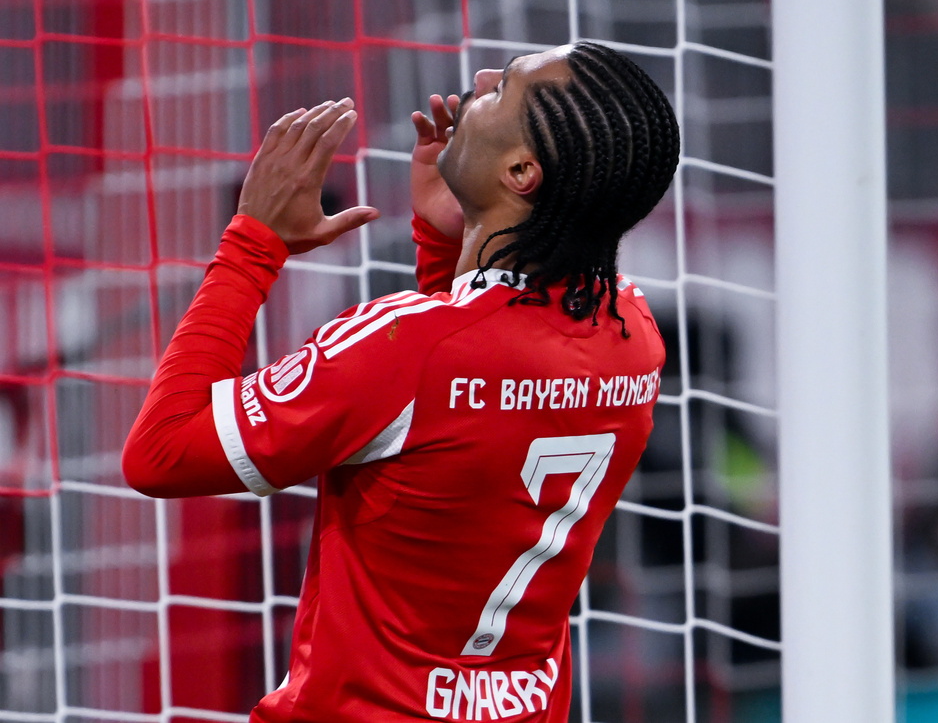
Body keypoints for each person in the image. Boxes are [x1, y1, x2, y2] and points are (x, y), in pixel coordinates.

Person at [122, 41, 679, 722]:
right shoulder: (634, 334)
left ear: (522, 171)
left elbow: (162, 452)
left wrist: (252, 242)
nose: (479, 80)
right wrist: (450, 244)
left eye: (503, 87)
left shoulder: (401, 346)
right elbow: (460, 411)